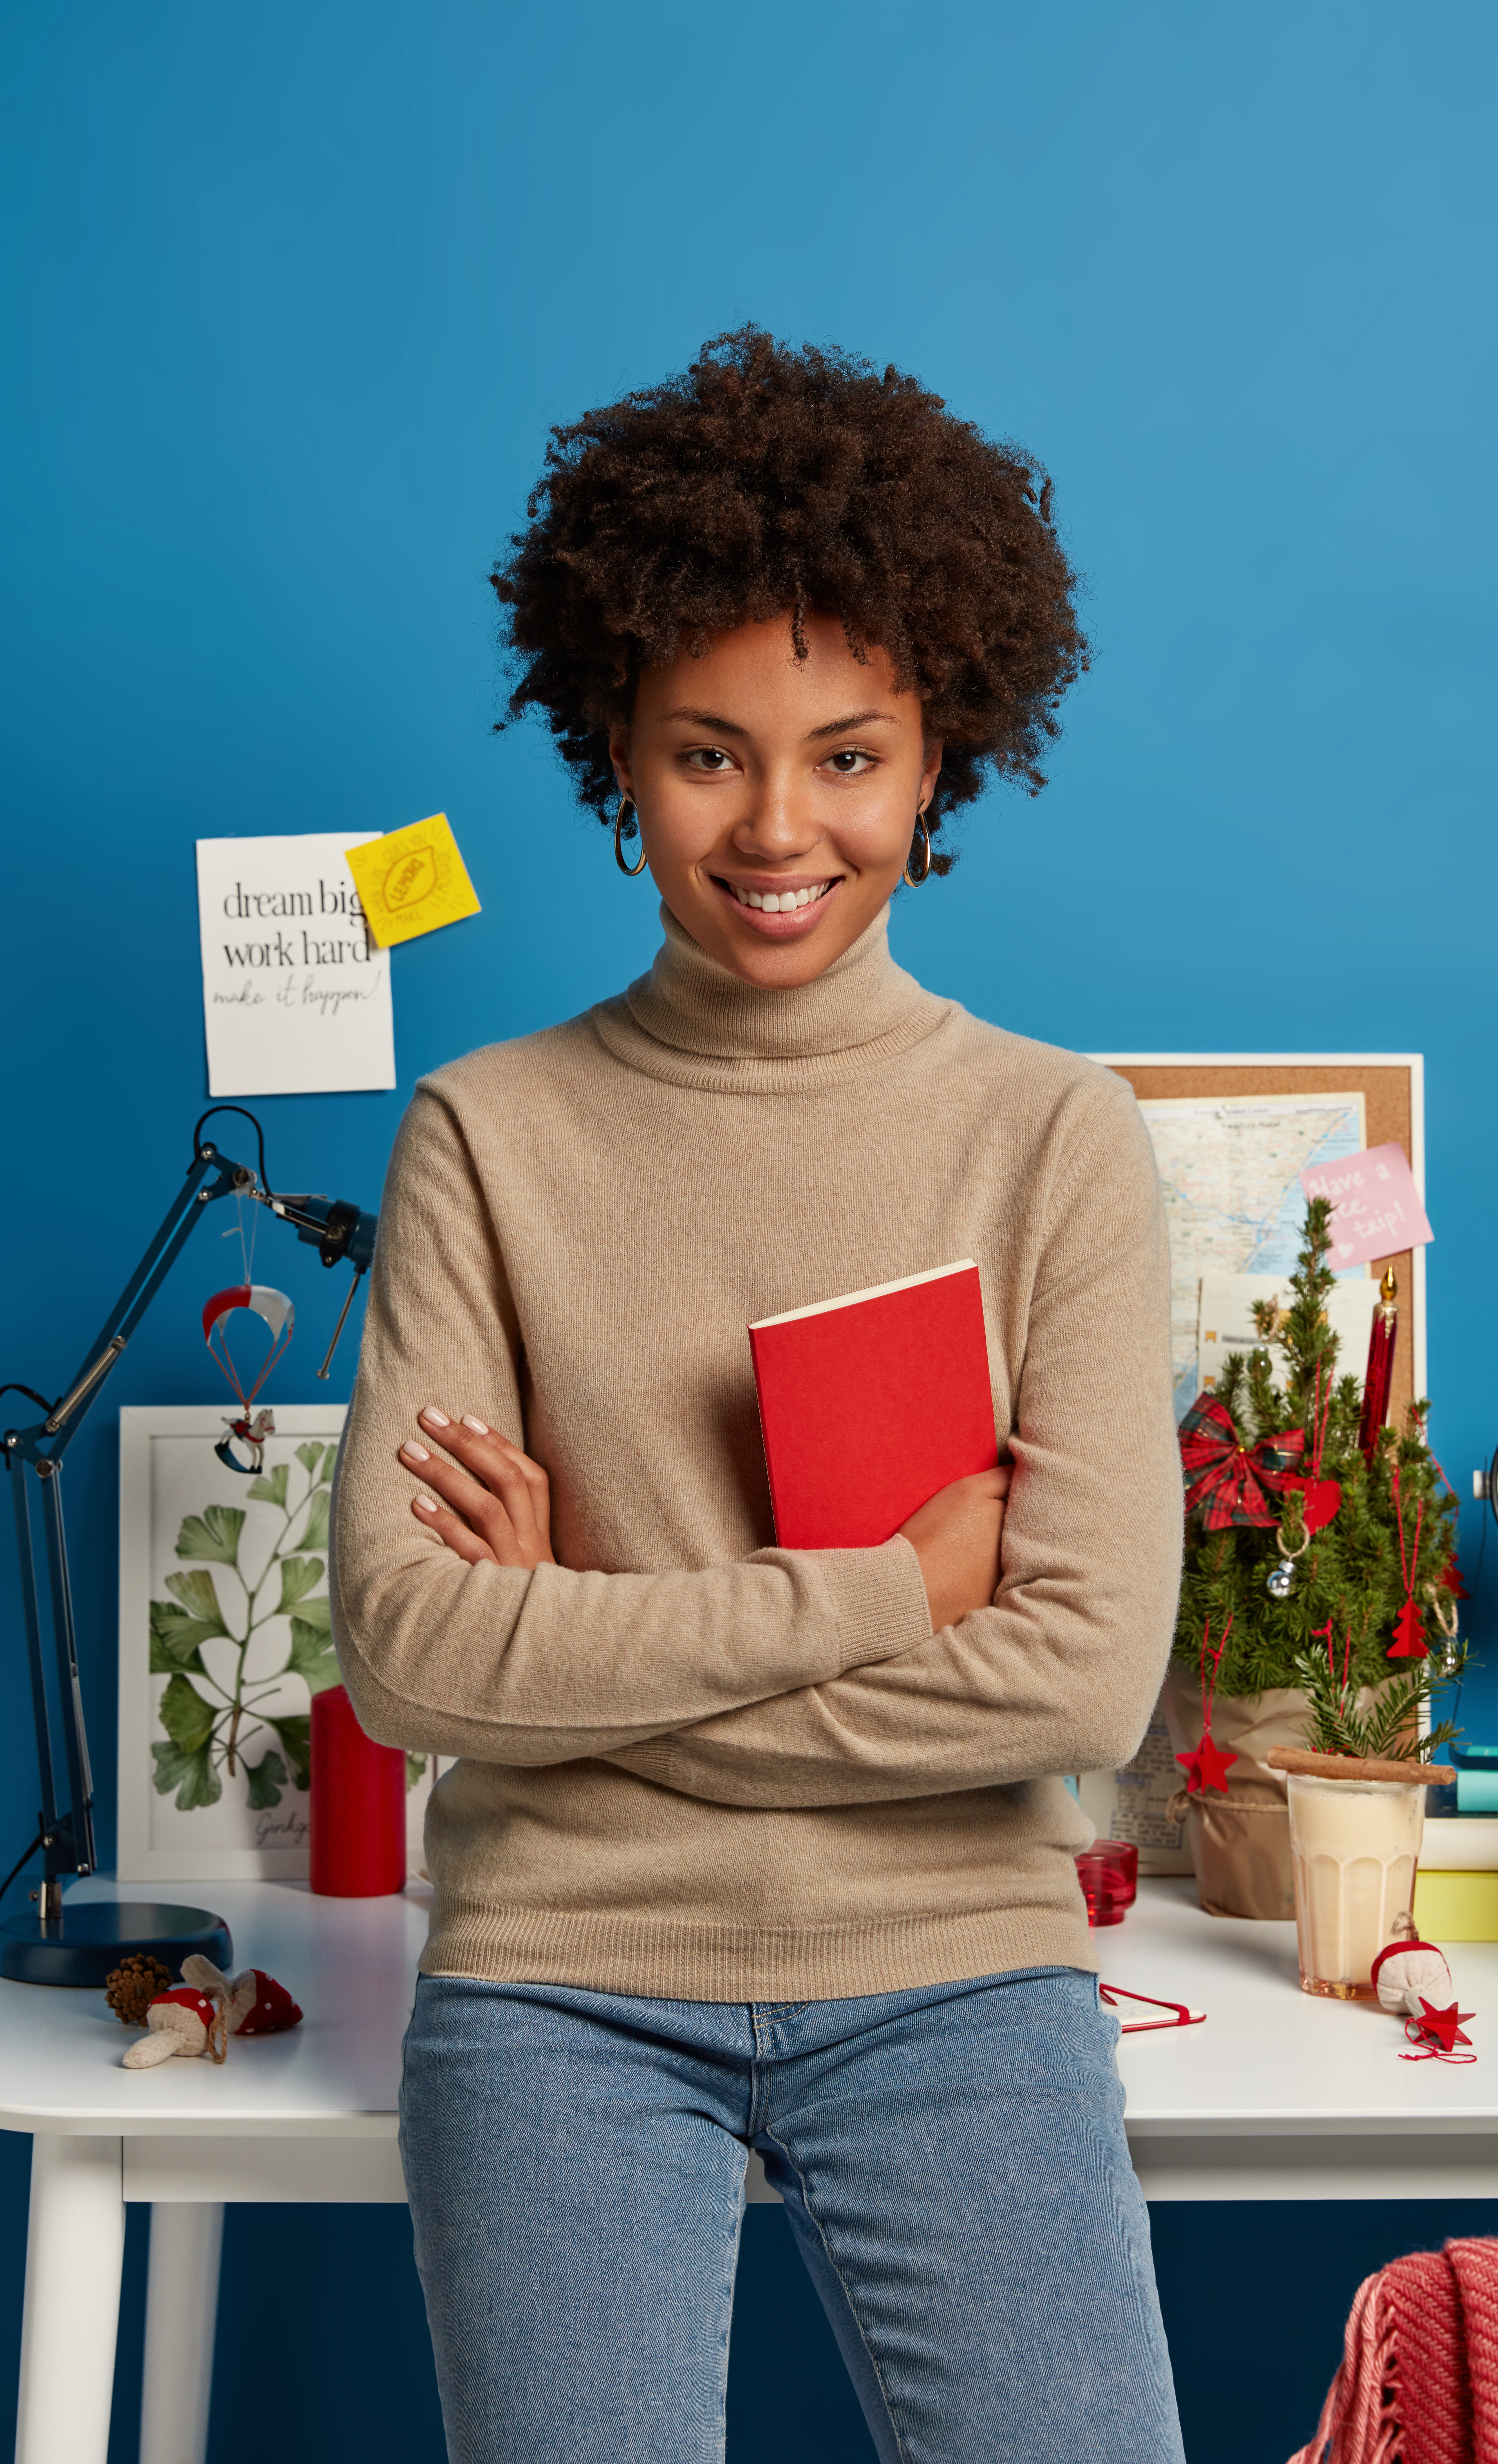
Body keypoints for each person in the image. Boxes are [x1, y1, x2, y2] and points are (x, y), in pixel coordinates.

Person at [331, 328, 1185, 2464]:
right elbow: (417, 1653)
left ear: (939, 762)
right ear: (613, 749)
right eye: (709, 754)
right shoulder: (487, 1134)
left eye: (850, 755)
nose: (780, 827)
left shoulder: (1053, 1137)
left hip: (962, 1970)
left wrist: (588, 1639)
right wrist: (890, 1594)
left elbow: (1082, 1686)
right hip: (558, 1979)